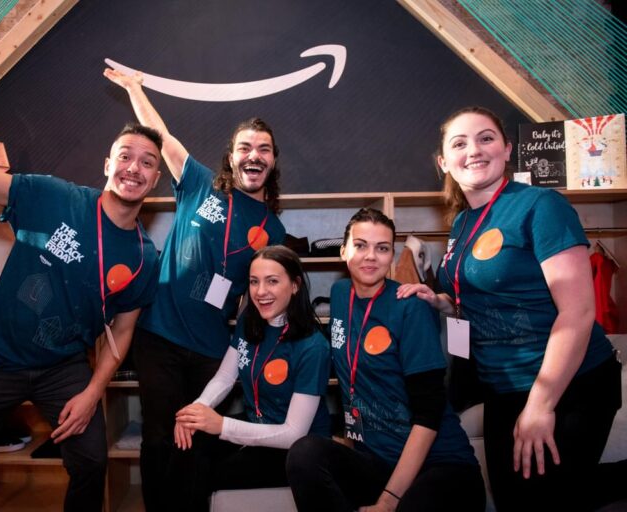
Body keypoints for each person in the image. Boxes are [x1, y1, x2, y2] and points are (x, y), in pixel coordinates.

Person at [0, 45, 162, 512]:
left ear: (156, 179)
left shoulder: (144, 257)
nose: (134, 167)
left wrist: (93, 392)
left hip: (63, 368)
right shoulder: (53, 197)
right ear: (106, 164)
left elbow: (122, 331)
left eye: (148, 162)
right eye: (125, 156)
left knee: (92, 462)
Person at [397, 106, 622, 511]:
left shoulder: (540, 206)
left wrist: (542, 402)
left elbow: (578, 310)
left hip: (569, 383)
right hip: (503, 387)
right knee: (513, 497)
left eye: (486, 138)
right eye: (459, 143)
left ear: (506, 149)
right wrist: (441, 302)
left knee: (548, 498)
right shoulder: (463, 224)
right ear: (444, 162)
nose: (474, 150)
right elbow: (478, 297)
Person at [104, 68, 286, 509]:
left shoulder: (273, 228)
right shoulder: (201, 184)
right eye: (245, 147)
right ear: (231, 157)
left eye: (263, 149)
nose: (254, 155)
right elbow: (162, 137)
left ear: (273, 161)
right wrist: (135, 90)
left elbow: (256, 301)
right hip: (159, 337)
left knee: (201, 439)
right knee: (160, 437)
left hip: (211, 348)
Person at [287, 207, 485, 512]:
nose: (370, 256)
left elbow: (429, 415)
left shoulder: (410, 306)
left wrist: (387, 502)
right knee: (305, 454)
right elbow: (350, 385)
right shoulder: (340, 295)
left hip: (440, 466)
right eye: (361, 245)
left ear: (391, 256)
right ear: (343, 251)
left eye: (382, 249)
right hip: (378, 463)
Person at [171, 245, 331, 510]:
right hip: (256, 423)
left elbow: (293, 434)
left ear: (294, 285)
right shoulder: (250, 321)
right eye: (254, 282)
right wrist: (197, 409)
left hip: (296, 450)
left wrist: (221, 425)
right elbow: (224, 376)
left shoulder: (313, 347)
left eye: (272, 281)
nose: (260, 292)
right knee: (186, 447)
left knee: (209, 473)